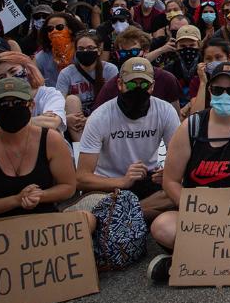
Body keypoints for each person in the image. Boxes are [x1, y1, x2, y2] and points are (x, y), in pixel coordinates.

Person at [146, 62, 230, 283]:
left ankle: (192, 257)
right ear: (210, 91)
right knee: (161, 227)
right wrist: (194, 210)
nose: (224, 94)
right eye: (218, 90)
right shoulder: (189, 128)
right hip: (200, 218)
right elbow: (171, 181)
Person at [0, 77, 89, 267]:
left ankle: (15, 260)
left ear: (31, 106)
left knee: (87, 221)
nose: (11, 108)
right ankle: (30, 258)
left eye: (17, 103)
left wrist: (40, 196)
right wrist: (15, 200)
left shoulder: (51, 140)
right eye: (3, 104)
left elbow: (68, 186)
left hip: (41, 221)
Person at [76, 57, 181, 219]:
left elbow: (180, 160)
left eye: (144, 85)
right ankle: (137, 214)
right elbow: (82, 178)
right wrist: (122, 181)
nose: (137, 89)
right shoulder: (100, 116)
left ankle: (122, 215)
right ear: (119, 84)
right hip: (108, 183)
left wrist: (169, 174)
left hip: (147, 179)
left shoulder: (165, 111)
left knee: (178, 193)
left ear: (152, 86)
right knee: (94, 203)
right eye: (131, 84)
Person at [91, 27, 181, 112]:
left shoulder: (166, 79)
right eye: (123, 53)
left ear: (146, 51)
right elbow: (97, 114)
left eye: (133, 52)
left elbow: (176, 117)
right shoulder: (112, 85)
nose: (128, 56)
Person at [0, 52, 67, 132]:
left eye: (13, 71)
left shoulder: (49, 94)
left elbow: (52, 123)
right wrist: (38, 120)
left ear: (27, 69)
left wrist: (3, 125)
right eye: (2, 77)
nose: (9, 79)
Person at [57, 31, 118, 142]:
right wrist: (66, 119)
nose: (85, 51)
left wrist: (91, 119)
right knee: (71, 99)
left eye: (90, 48)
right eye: (81, 49)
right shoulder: (66, 73)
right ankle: (80, 147)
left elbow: (115, 100)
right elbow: (58, 103)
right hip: (78, 118)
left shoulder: (110, 69)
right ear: (76, 52)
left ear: (99, 50)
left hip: (102, 114)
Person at [34, 12, 85, 87]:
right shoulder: (41, 57)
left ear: (70, 29)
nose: (54, 31)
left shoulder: (82, 51)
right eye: (50, 29)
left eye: (59, 27)